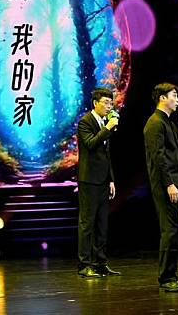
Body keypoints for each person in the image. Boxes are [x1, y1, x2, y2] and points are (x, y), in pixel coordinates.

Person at [144, 82, 178, 292]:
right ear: (162, 98)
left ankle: (170, 275)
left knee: (174, 231)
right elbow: (158, 158)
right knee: (170, 231)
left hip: (177, 181)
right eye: (174, 95)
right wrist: (169, 184)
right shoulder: (155, 123)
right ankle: (167, 277)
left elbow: (177, 152)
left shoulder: (169, 123)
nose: (177, 99)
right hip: (169, 184)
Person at [76, 87, 121, 278]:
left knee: (102, 223)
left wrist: (111, 179)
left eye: (111, 103)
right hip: (89, 179)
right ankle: (84, 264)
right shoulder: (85, 122)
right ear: (95, 103)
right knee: (87, 223)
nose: (109, 106)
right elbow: (91, 144)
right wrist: (108, 128)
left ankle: (101, 262)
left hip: (103, 180)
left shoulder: (105, 122)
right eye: (105, 102)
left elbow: (106, 154)